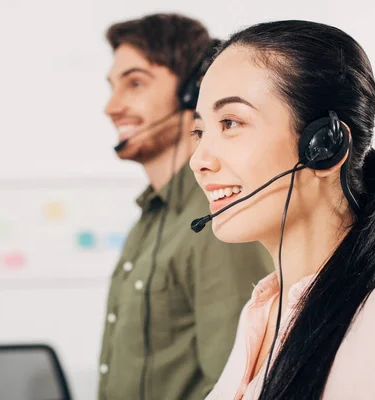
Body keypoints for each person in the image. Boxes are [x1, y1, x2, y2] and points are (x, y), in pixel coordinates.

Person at [189, 20, 375, 400]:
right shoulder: (263, 312)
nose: (198, 160)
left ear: (324, 146)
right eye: (200, 131)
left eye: (230, 122)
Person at [98, 13, 274, 400]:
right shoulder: (152, 217)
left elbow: (235, 386)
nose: (112, 107)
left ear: (193, 92)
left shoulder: (219, 219)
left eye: (135, 83)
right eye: (112, 87)